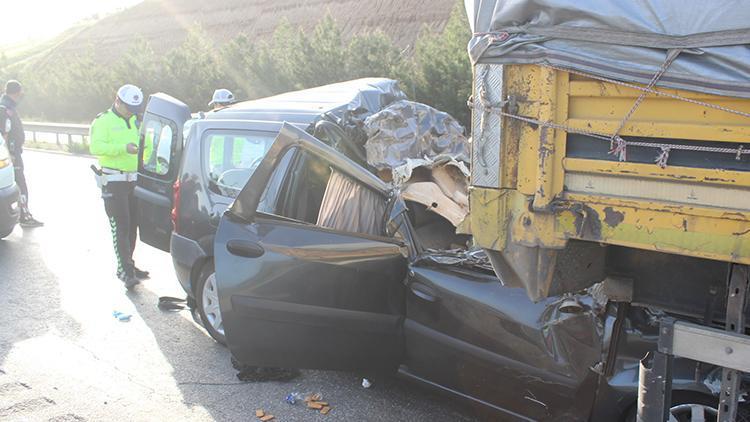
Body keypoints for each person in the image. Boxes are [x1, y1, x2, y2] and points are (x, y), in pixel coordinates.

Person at [89, 84, 150, 289]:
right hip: (114, 181)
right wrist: (123, 149)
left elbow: (146, 146)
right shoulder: (103, 121)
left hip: (134, 181)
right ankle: (124, 269)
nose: (131, 113)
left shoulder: (136, 121)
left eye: (135, 109)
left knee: (134, 226)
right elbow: (96, 147)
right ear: (118, 101)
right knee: (121, 226)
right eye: (128, 108)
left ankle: (128, 264)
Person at [0, 80, 43, 227]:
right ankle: (24, 215)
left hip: (11, 153)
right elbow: (4, 133)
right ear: (17, 92)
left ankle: (20, 214)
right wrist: (8, 154)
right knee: (20, 185)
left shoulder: (7, 106)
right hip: (10, 155)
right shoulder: (5, 108)